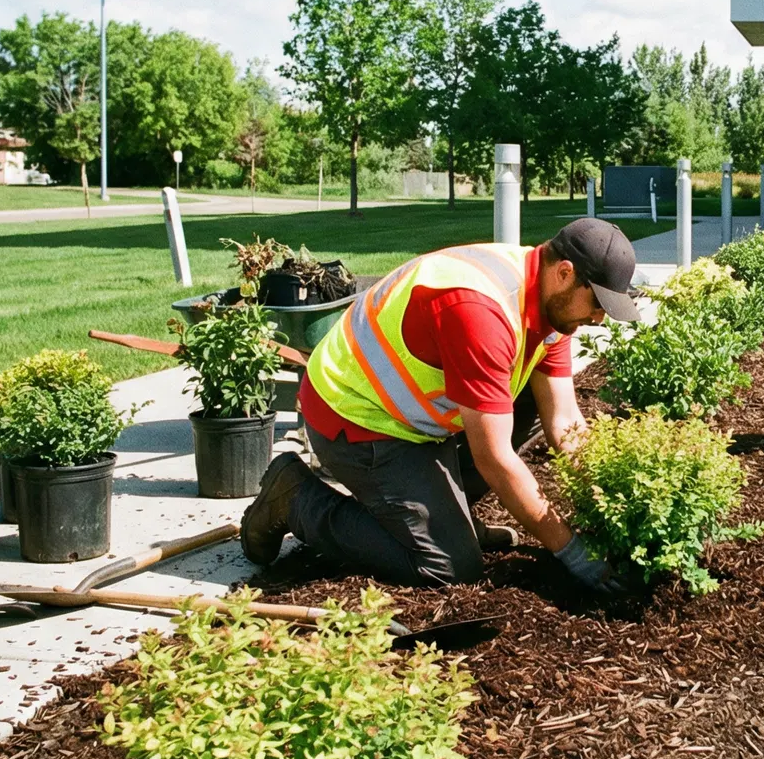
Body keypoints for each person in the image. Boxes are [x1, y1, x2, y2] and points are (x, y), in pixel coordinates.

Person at [239, 218, 642, 595]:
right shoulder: (483, 310)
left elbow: (565, 422)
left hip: (413, 416)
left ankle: (451, 517)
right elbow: (495, 458)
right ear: (566, 272)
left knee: (527, 404)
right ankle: (294, 498)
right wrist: (569, 549)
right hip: (357, 418)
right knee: (449, 566)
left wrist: (610, 505)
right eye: (598, 304)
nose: (600, 318)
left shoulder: (554, 305)